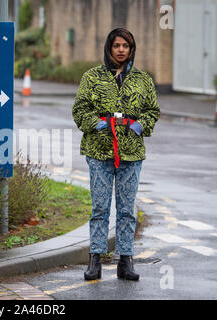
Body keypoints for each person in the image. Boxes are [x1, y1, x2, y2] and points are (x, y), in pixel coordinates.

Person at [72, 28, 160, 281]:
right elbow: (79, 109)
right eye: (117, 45)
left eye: (126, 46)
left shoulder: (143, 79)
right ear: (109, 48)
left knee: (126, 210)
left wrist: (141, 124)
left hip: (130, 153)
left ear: (132, 49)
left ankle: (126, 261)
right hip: (99, 150)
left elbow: (152, 110)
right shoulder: (92, 77)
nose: (121, 49)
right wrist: (95, 123)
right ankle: (95, 260)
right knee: (100, 207)